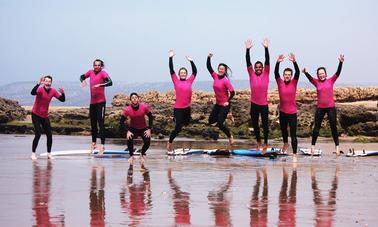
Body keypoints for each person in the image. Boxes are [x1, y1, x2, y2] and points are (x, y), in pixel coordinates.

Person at [303, 54, 344, 155]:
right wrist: (305, 72)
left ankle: (337, 147)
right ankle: (312, 147)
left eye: (323, 73)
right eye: (319, 74)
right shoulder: (316, 82)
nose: (321, 75)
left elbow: (337, 73)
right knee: (316, 127)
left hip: (331, 108)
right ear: (318, 75)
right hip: (320, 108)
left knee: (333, 127)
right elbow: (310, 78)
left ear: (325, 74)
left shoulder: (331, 80)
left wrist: (340, 62)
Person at [80, 59, 113, 155]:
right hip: (92, 103)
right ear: (93, 66)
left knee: (101, 124)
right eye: (95, 65)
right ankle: (94, 143)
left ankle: (102, 146)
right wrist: (82, 81)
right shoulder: (90, 72)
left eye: (99, 65)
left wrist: (100, 85)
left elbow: (110, 82)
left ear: (101, 66)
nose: (97, 67)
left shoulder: (103, 73)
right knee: (93, 124)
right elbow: (81, 76)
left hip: (101, 102)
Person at [167, 50, 197, 151]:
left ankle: (176, 119)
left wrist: (191, 61)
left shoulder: (190, 80)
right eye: (181, 72)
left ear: (186, 74)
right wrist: (170, 58)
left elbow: (195, 72)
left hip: (187, 108)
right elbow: (171, 70)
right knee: (178, 128)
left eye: (184, 72)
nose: (183, 74)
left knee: (187, 123)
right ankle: (170, 142)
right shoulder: (176, 80)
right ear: (179, 74)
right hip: (178, 108)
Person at [30, 75, 65, 160]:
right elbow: (32, 93)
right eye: (46, 81)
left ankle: (49, 154)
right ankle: (33, 154)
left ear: (51, 82)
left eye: (49, 81)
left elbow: (62, 100)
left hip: (45, 116)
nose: (48, 83)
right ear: (44, 82)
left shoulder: (53, 91)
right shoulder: (40, 89)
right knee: (38, 134)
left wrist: (63, 93)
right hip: (36, 114)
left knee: (49, 135)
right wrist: (38, 83)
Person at [245, 38, 270, 154]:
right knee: (255, 124)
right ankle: (258, 142)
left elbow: (267, 61)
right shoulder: (251, 74)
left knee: (265, 125)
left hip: (264, 104)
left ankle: (265, 143)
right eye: (257, 67)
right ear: (254, 69)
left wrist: (266, 48)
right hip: (254, 103)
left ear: (263, 68)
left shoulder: (266, 73)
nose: (259, 68)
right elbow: (248, 62)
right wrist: (247, 50)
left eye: (260, 67)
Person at [274, 53, 300, 161]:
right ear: (283, 75)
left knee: (293, 134)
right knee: (283, 130)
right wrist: (277, 62)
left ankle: (294, 154)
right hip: (283, 112)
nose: (287, 76)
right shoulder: (280, 82)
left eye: (289, 74)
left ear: (291, 76)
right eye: (286, 74)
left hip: (292, 113)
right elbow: (275, 72)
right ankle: (285, 144)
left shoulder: (294, 82)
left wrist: (294, 62)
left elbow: (298, 72)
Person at [206, 52, 235, 146]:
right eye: (219, 68)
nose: (221, 70)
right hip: (218, 104)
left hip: (225, 105)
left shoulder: (225, 81)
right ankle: (223, 119)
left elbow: (233, 92)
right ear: (218, 69)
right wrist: (209, 58)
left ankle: (230, 136)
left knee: (219, 124)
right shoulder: (215, 76)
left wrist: (227, 101)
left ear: (224, 70)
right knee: (210, 121)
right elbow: (209, 67)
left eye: (222, 69)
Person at [120, 93, 153, 165]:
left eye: (136, 97)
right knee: (129, 138)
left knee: (147, 141)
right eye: (132, 97)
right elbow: (121, 122)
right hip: (133, 128)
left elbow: (151, 117)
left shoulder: (144, 107)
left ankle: (142, 153)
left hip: (143, 128)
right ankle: (131, 156)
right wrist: (128, 131)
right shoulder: (127, 110)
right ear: (130, 100)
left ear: (138, 99)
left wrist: (149, 129)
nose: (134, 98)